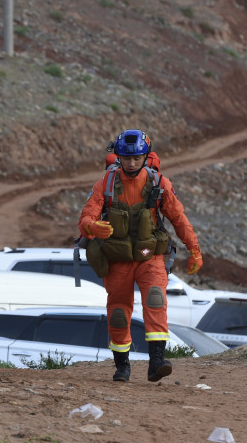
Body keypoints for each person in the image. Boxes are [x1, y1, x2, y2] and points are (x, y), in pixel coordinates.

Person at [79, 129, 202, 382]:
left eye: (137, 158)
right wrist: (92, 227)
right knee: (118, 313)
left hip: (150, 257)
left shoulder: (159, 184)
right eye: (126, 158)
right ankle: (122, 366)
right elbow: (86, 217)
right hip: (117, 259)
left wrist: (194, 250)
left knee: (155, 300)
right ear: (118, 157)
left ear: (146, 157)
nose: (131, 163)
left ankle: (157, 362)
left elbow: (179, 219)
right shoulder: (106, 183)